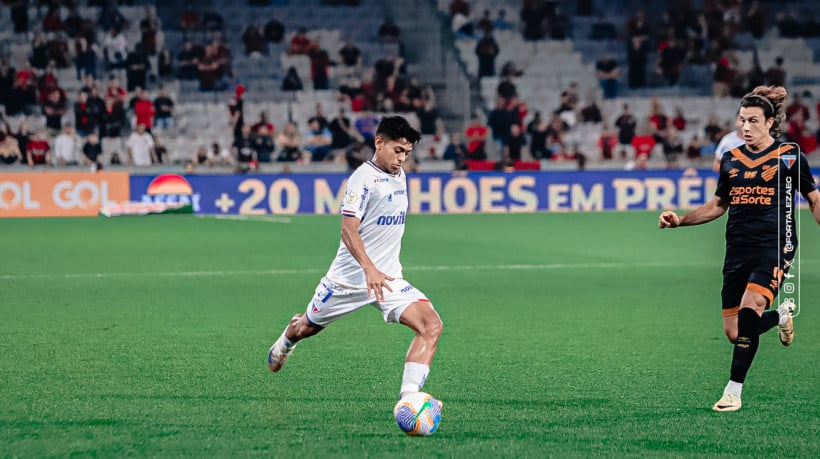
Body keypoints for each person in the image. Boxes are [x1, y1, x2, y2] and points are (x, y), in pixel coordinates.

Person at [658, 86, 820, 412]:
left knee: (749, 311)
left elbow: (814, 199)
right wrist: (681, 220)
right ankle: (781, 316)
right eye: (741, 120)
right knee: (734, 332)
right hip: (737, 251)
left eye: (753, 121)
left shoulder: (789, 155)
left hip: (774, 247)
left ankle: (733, 392)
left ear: (770, 122)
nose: (745, 127)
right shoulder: (731, 160)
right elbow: (718, 205)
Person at [266, 116, 444, 405]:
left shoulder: (400, 176)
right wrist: (368, 268)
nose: (402, 159)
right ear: (379, 143)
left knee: (431, 325)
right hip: (347, 281)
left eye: (407, 153)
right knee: (307, 327)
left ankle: (408, 401)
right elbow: (348, 229)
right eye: (397, 150)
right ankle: (287, 338)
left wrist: (378, 271)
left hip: (386, 279)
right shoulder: (362, 179)